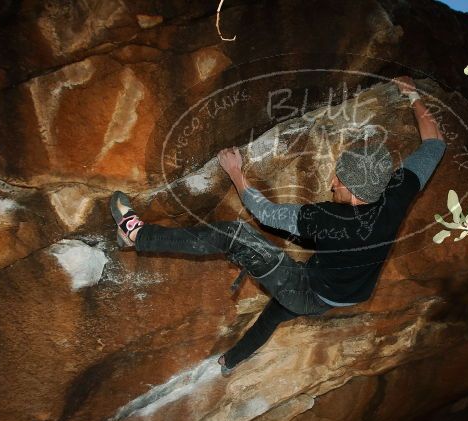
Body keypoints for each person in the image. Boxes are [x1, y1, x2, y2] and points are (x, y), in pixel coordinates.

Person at [110, 76, 446, 375]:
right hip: (348, 293)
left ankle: (136, 233)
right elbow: (435, 144)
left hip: (309, 290)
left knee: (236, 236)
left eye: (338, 180)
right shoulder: (396, 194)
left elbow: (265, 214)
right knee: (275, 313)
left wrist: (236, 172)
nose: (331, 182)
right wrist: (412, 95)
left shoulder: (328, 217)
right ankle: (230, 363)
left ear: (355, 192)